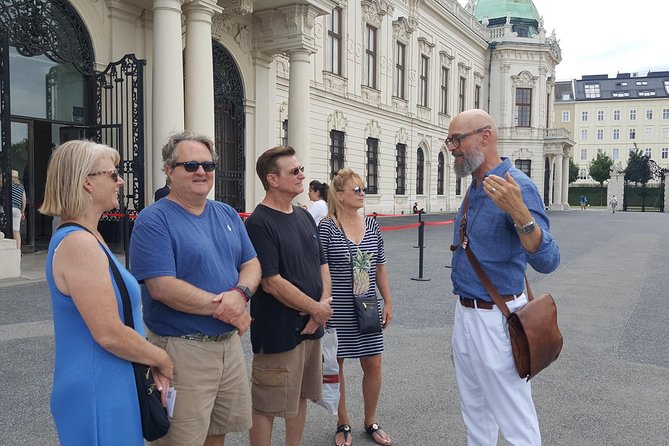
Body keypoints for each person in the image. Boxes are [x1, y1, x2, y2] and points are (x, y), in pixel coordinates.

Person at [130, 131, 261, 446]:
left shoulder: (226, 213)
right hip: (182, 349)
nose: (201, 171)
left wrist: (240, 295)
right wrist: (230, 310)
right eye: (190, 165)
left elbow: (252, 264)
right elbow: (162, 287)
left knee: (219, 432)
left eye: (208, 164)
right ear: (169, 170)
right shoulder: (153, 221)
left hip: (228, 347)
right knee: (181, 439)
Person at [39, 140, 173, 445]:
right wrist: (161, 358)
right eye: (113, 174)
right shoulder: (80, 244)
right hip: (99, 388)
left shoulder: (86, 238)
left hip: (109, 381)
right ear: (87, 182)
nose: (121, 181)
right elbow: (109, 333)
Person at [447, 109, 560, 446]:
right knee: (475, 414)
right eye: (449, 140)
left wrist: (521, 214)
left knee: (516, 420)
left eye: (457, 139)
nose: (451, 147)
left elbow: (549, 260)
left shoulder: (518, 186)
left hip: (498, 319)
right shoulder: (476, 187)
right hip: (466, 315)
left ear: (486, 136)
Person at [245, 145, 333, 446]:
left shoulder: (304, 216)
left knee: (301, 396)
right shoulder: (258, 223)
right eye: (294, 171)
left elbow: (322, 264)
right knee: (266, 405)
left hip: (311, 327)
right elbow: (271, 281)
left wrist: (320, 308)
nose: (302, 175)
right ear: (272, 179)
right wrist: (316, 310)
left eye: (301, 169)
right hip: (279, 330)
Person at [319, 168, 393, 446]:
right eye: (357, 189)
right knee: (336, 368)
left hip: (367, 306)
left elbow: (380, 268)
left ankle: (370, 420)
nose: (363, 193)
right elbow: (320, 270)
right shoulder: (327, 227)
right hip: (337, 309)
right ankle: (343, 421)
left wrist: (388, 301)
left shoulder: (372, 226)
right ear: (339, 195)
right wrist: (322, 305)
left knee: (373, 365)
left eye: (363, 188)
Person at [11, 169, 26, 249]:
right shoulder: (21, 186)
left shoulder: (8, 184)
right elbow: (24, 200)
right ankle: (18, 250)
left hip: (8, 209)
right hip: (17, 210)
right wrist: (22, 212)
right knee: (16, 231)